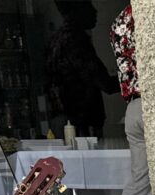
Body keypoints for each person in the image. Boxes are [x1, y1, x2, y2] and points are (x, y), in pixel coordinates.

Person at [107, 2, 152, 195]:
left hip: (134, 108)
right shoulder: (150, 14)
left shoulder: (121, 20)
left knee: (139, 185)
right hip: (154, 107)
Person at [46, 0, 120, 138]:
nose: (94, 11)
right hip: (81, 124)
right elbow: (101, 81)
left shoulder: (56, 40)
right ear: (76, 10)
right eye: (89, 6)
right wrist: (135, 78)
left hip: (65, 119)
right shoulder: (75, 40)